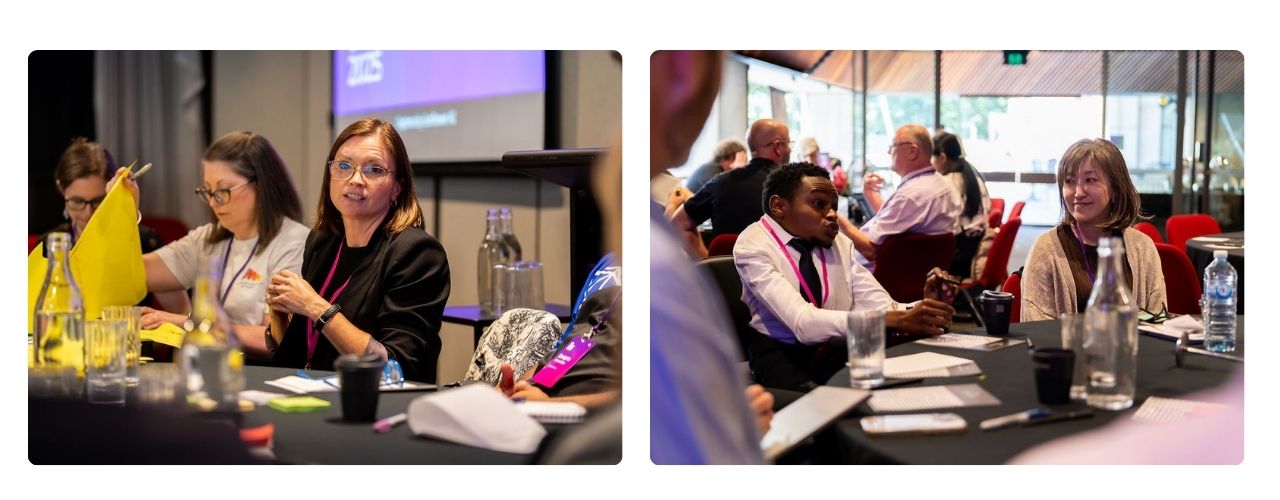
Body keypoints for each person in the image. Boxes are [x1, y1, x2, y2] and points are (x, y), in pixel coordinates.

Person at [735, 162, 957, 391]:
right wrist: (897, 319)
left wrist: (925, 307)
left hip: (837, 347)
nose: (832, 215)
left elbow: (882, 306)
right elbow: (802, 324)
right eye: (819, 204)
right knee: (833, 407)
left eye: (834, 207)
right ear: (779, 205)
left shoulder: (837, 242)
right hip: (782, 353)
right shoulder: (753, 245)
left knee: (899, 388)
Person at [651, 50, 771, 464]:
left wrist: (704, 258)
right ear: (686, 70)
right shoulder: (660, 275)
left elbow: (683, 222)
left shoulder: (715, 186)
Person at [266, 118, 450, 383]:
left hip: (377, 407)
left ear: (397, 187)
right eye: (344, 166)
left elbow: (398, 368)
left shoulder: (417, 254)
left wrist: (314, 306)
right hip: (314, 398)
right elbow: (303, 355)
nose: (355, 180)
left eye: (374, 170)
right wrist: (279, 315)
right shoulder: (321, 242)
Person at [117, 131, 309, 359]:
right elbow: (133, 273)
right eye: (208, 191)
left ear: (261, 185)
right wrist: (124, 213)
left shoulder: (293, 242)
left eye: (224, 190)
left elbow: (275, 339)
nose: (213, 202)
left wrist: (188, 323)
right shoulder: (209, 238)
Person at [1021, 138, 1166, 321]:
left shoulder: (1142, 248)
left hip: (1132, 349)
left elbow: (1158, 321)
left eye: (1090, 180)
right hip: (1067, 349)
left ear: (1115, 190)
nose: (1078, 193)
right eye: (1069, 181)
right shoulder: (1046, 250)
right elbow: (1038, 331)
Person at [43, 138, 184, 312]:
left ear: (113, 190)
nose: (88, 213)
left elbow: (182, 313)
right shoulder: (50, 245)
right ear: (60, 189)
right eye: (77, 201)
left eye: (98, 201)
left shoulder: (145, 242)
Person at [839, 124, 962, 266]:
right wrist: (871, 194)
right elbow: (898, 220)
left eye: (893, 146)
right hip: (909, 276)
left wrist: (835, 216)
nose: (888, 152)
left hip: (867, 277)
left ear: (912, 151)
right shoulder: (940, 184)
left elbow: (870, 250)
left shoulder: (911, 195)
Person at [670, 118, 792, 257]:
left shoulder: (719, 183)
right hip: (780, 275)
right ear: (777, 146)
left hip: (725, 277)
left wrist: (710, 262)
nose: (790, 149)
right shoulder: (793, 186)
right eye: (788, 143)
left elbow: (677, 223)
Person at [932, 132, 993, 279]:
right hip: (971, 249)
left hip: (956, 257)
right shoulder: (973, 175)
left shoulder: (946, 183)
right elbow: (989, 208)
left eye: (931, 157)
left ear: (942, 157)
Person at [683, 138, 747, 194]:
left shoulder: (714, 169)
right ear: (726, 158)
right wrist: (738, 173)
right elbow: (724, 196)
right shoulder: (710, 170)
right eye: (739, 159)